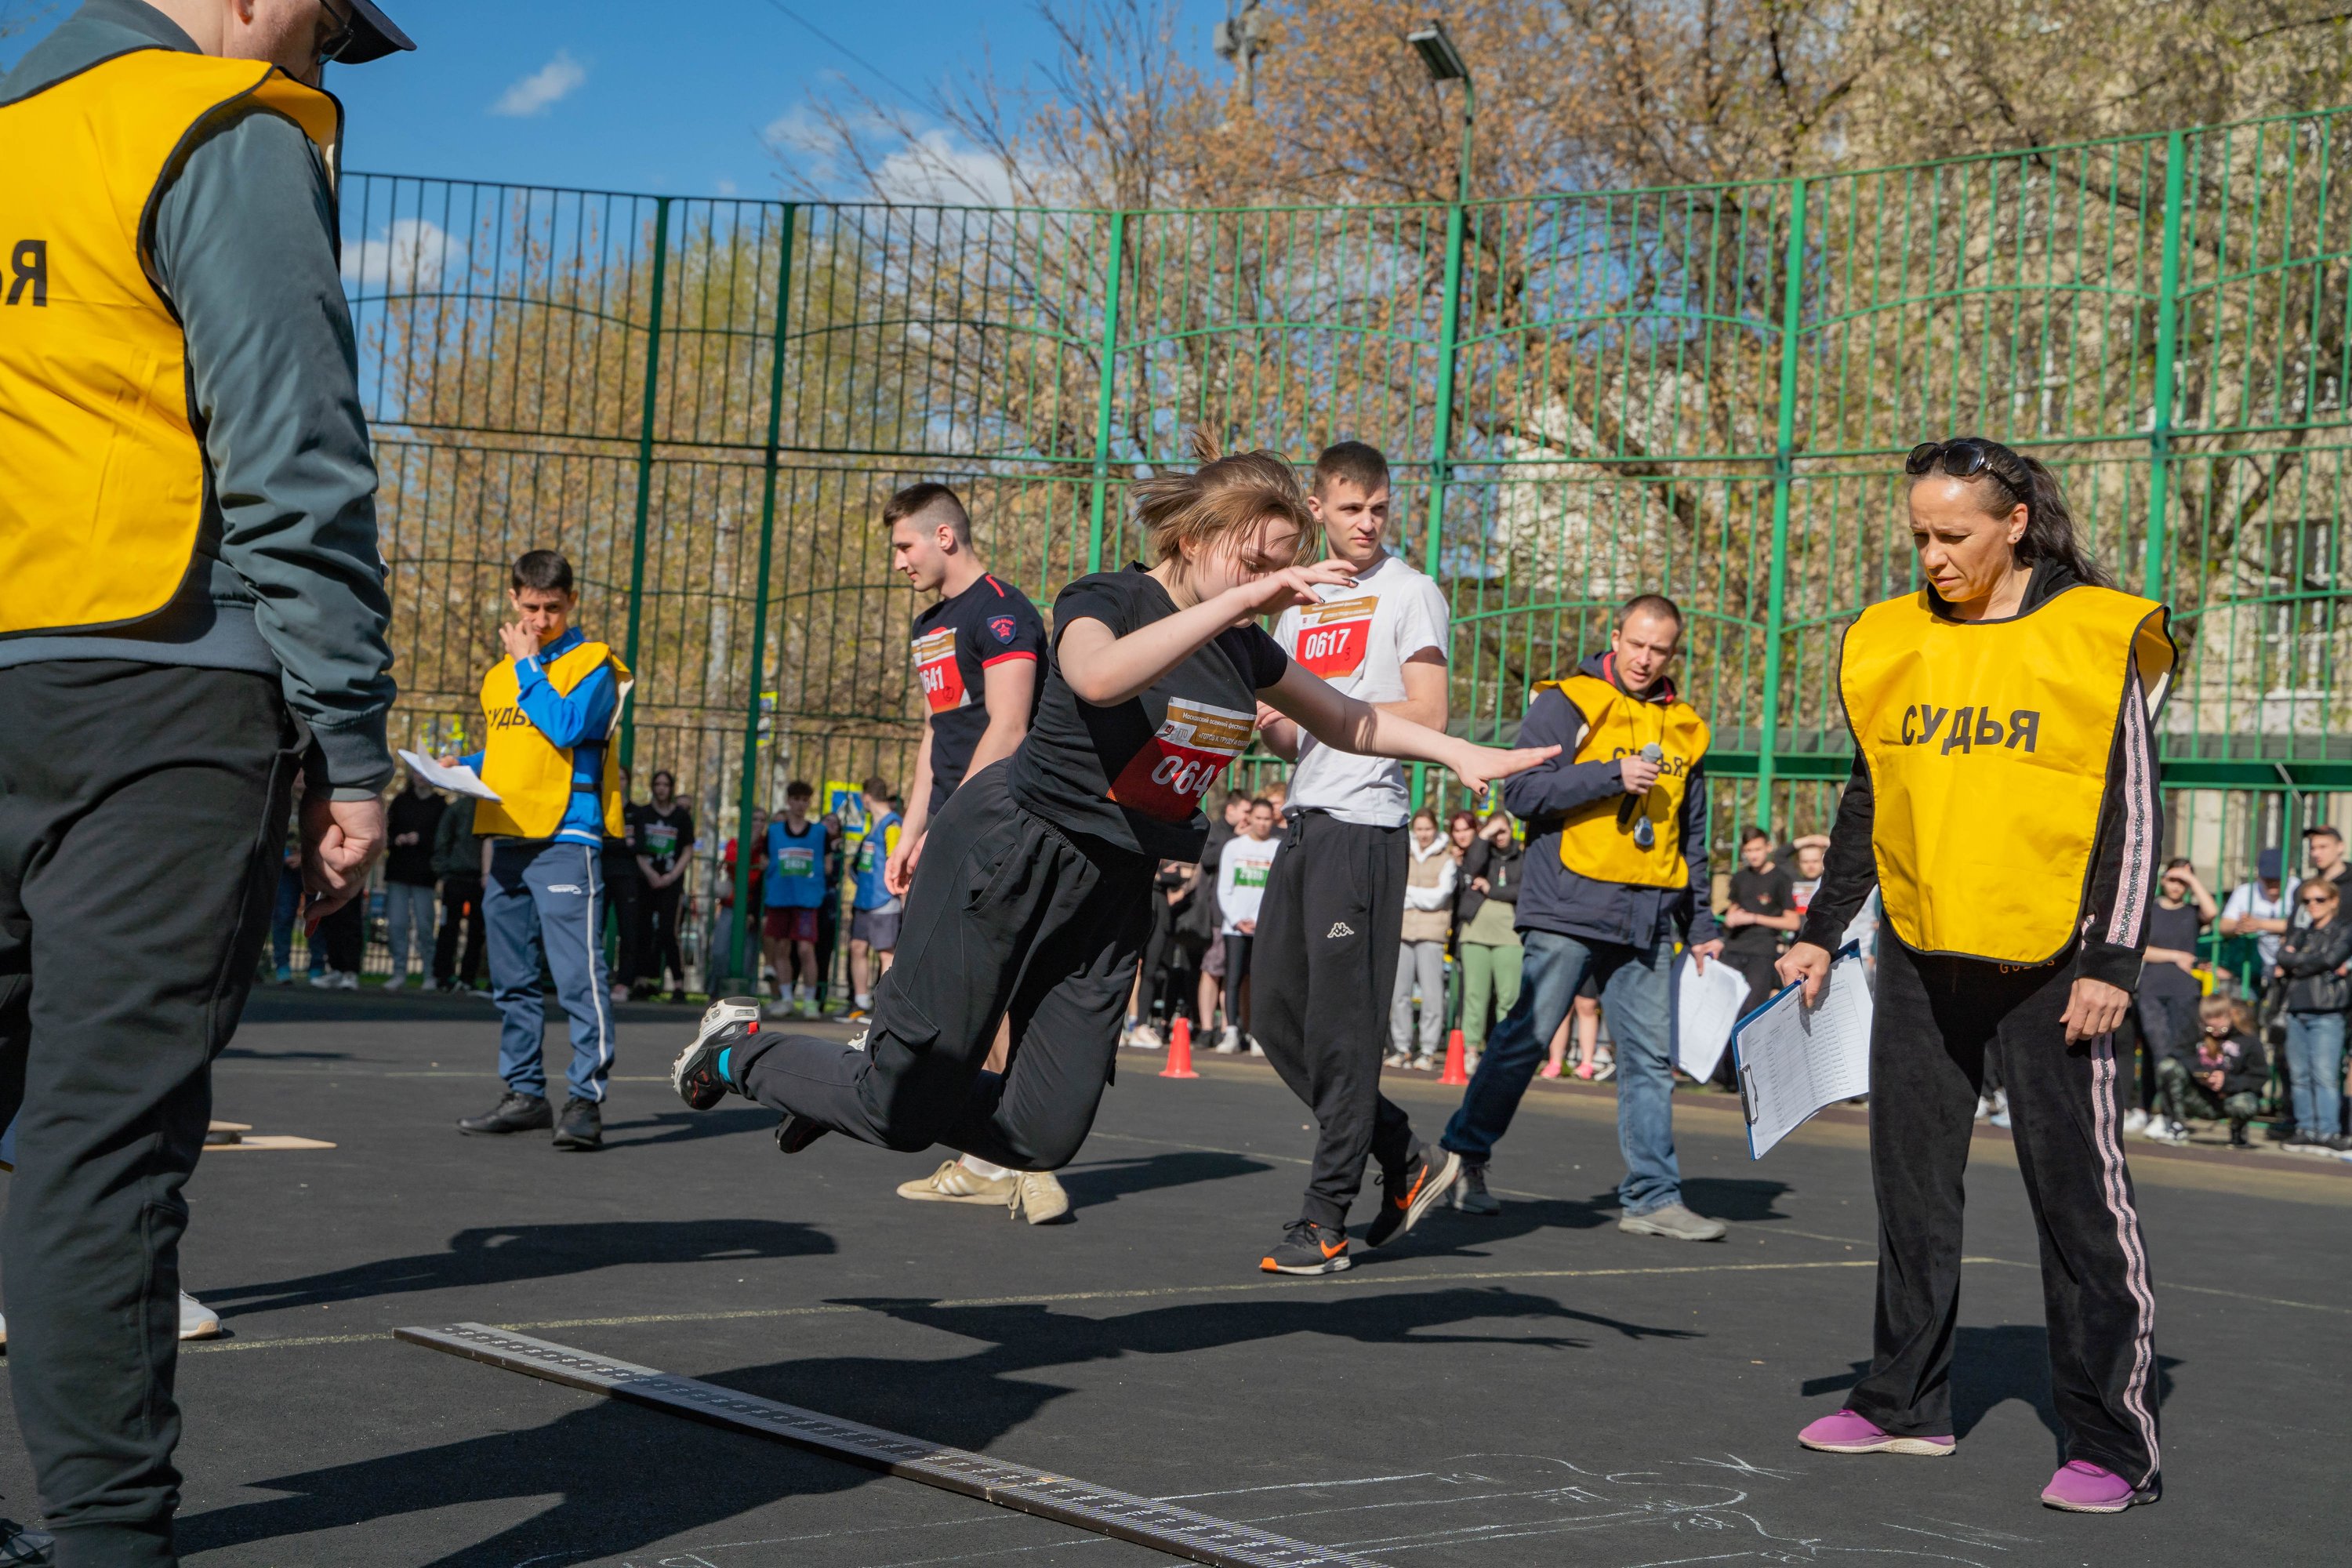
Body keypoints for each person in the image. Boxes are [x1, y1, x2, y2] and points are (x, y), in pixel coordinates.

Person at [670, 439, 1553, 1276]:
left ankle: (853, 1088)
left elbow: (1350, 719)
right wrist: (1242, 602)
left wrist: (1458, 754)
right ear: (1195, 538)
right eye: (1256, 564)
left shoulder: (1243, 644)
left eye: (1282, 567)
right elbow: (1098, 677)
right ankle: (746, 1053)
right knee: (892, 1112)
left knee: (1041, 1135)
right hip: (1009, 856)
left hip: (1111, 888)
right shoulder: (1104, 597)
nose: (1270, 585)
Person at [0, 0, 412, 1558]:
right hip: (159, 683)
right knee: (101, 1147)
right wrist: (351, 742)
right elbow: (293, 451)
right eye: (326, 25)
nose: (316, 59)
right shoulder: (216, 129)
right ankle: (110, 1543)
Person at [1780, 436, 2172, 1515]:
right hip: (1921, 949)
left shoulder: (2094, 632)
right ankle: (1904, 1402)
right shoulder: (1891, 637)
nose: (1934, 555)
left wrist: (2112, 960)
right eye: (1919, 535)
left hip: (2056, 961)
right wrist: (1821, 927)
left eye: (1954, 534)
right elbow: (1872, 797)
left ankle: (2111, 1441)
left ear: (2015, 523)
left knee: (2078, 1204)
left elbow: (2135, 813)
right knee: (1910, 1190)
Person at [1436, 593, 1727, 1236]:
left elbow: (1692, 835)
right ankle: (1462, 1160)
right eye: (1637, 644)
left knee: (1649, 1061)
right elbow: (1521, 793)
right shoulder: (1565, 702)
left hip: (1647, 917)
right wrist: (1608, 775)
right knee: (1525, 1040)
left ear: (1673, 654)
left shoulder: (1686, 727)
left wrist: (1702, 925)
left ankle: (1653, 1198)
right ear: (1615, 637)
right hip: (1567, 906)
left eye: (1660, 650)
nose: (1645, 659)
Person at [1250, 441, 1463, 1269]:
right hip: (1304, 821)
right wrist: (1274, 722)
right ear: (1318, 510)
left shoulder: (1411, 592)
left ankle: (1325, 1218)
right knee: (1272, 1012)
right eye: (1350, 508)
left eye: (1378, 508)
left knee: (1343, 1033)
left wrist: (1328, 709)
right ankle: (1404, 1152)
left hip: (1365, 827)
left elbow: (1430, 712)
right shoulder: (1297, 602)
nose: (1367, 522)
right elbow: (1286, 731)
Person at [876, 483, 1059, 1213]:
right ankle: (992, 1156)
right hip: (953, 824)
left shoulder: (1004, 612)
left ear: (944, 536)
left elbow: (1009, 726)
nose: (898, 561)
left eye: (904, 545)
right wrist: (910, 830)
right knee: (962, 995)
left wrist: (951, 825)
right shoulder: (930, 624)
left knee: (994, 993)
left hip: (1000, 823)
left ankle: (1021, 1154)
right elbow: (938, 729)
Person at [451, 550, 633, 1153]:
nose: (540, 619)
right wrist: (461, 766)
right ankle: (525, 1094)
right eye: (530, 607)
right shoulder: (498, 676)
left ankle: (585, 1100)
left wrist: (529, 665)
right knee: (511, 980)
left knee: (579, 977)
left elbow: (567, 729)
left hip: (567, 838)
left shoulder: (594, 664)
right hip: (507, 837)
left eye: (553, 608)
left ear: (571, 602)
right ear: (513, 599)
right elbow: (514, 752)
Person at [2129, 858, 2213, 1132]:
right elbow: (2140, 948)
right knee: (2157, 1051)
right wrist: (2176, 956)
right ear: (2163, 880)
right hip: (2152, 990)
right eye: (2173, 879)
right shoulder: (2150, 909)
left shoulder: (2192, 912)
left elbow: (2212, 912)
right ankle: (2147, 1109)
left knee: (2177, 1052)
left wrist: (2192, 879)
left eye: (2183, 881)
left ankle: (2170, 1115)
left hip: (2184, 991)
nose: (2177, 886)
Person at [2272, 877, 2350, 1152]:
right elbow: (2281, 957)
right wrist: (2307, 962)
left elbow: (2331, 959)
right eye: (2307, 901)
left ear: (2334, 901)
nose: (2313, 905)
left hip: (2327, 1010)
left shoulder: (2343, 930)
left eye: (2320, 899)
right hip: (2296, 1008)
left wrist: (2295, 963)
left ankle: (2328, 1132)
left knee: (2324, 1074)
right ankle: (2306, 1129)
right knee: (2300, 1074)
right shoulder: (2302, 932)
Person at [1455, 810, 1524, 1072]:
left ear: (1512, 829)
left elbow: (1524, 889)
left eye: (1503, 830)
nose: (1499, 836)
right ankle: (1471, 1050)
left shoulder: (1523, 855)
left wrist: (1492, 890)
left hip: (1510, 935)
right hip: (1476, 932)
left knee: (1509, 997)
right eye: (1494, 832)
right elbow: (1470, 868)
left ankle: (1502, 1052)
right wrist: (1483, 836)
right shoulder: (1482, 853)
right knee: (1475, 995)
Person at [1388, 810, 1457, 1069]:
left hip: (1432, 934)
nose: (1423, 834)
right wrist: (1419, 895)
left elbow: (1439, 897)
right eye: (1419, 829)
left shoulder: (1446, 858)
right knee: (1400, 994)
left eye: (1428, 829)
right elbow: (1394, 889)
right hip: (1403, 931)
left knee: (1432, 994)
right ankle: (1402, 1048)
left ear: (1435, 829)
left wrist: (1409, 895)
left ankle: (1428, 1050)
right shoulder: (1403, 852)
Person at [2152, 996, 2267, 1148]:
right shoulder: (2194, 1032)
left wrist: (2227, 1082)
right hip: (2198, 1097)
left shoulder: (2248, 1039)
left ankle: (2238, 1132)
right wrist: (2202, 1073)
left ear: (2231, 1015)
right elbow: (2179, 1054)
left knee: (2245, 1104)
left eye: (2221, 1028)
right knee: (2167, 1067)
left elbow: (2259, 1076)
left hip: (2228, 1098)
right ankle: (2177, 1126)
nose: (2215, 1033)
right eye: (2210, 1028)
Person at [762, 782, 829, 1018]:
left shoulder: (820, 833)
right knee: (781, 948)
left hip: (806, 900)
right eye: (796, 799)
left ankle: (809, 1001)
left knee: (805, 949)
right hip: (780, 898)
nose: (801, 804)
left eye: (805, 800)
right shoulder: (774, 832)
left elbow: (828, 864)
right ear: (788, 801)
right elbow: (764, 860)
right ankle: (786, 999)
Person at [630, 769, 695, 1000]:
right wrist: (650, 873)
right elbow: (637, 850)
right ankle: (641, 982)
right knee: (643, 930)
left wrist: (672, 876)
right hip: (646, 880)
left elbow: (688, 849)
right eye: (657, 784)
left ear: (671, 788)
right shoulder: (643, 814)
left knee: (669, 932)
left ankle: (678, 985)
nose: (661, 789)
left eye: (665, 785)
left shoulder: (681, 817)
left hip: (671, 882)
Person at [841, 776, 903, 1021]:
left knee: (885, 953)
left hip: (884, 899)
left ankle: (883, 1010)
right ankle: (860, 1003)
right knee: (857, 947)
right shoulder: (875, 825)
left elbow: (896, 859)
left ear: (866, 797)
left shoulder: (892, 825)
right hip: (865, 900)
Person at [1722, 826, 1800, 1015]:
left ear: (1768, 847)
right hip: (1733, 948)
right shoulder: (1740, 877)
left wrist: (1755, 918)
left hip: (1762, 951)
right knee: (1726, 1006)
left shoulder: (1781, 879)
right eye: (1749, 850)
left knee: (1752, 1009)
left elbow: (1793, 922)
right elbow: (1732, 910)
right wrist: (1730, 919)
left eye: (1757, 849)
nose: (1753, 855)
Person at [382, 769, 445, 989]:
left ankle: (429, 974)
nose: (421, 777)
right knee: (397, 924)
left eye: (425, 773)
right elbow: (386, 830)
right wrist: (396, 839)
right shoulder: (400, 801)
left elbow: (443, 838)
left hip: (425, 875)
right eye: (417, 772)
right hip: (398, 870)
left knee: (425, 926)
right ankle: (399, 972)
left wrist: (422, 839)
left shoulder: (440, 805)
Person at [433, 793, 488, 994]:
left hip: (471, 877)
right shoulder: (459, 808)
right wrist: (444, 870)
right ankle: (452, 976)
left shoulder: (464, 807)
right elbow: (443, 839)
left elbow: (443, 839)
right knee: (456, 929)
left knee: (468, 930)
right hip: (460, 876)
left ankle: (458, 977)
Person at [2219, 847, 2296, 987]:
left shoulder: (2298, 889)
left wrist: (2258, 924)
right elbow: (2224, 926)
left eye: (2277, 878)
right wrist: (2239, 926)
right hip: (2257, 966)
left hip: (2294, 964)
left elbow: (2302, 926)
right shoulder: (2245, 892)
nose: (2272, 882)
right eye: (2267, 878)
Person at [601, 765, 644, 1007]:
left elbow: (640, 845)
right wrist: (623, 843)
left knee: (628, 930)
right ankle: (596, 978)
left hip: (627, 877)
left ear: (628, 782)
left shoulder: (636, 813)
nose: (618, 782)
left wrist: (614, 843)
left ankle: (623, 982)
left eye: (622, 778)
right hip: (601, 875)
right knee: (595, 928)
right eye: (614, 777)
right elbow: (601, 843)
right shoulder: (601, 807)